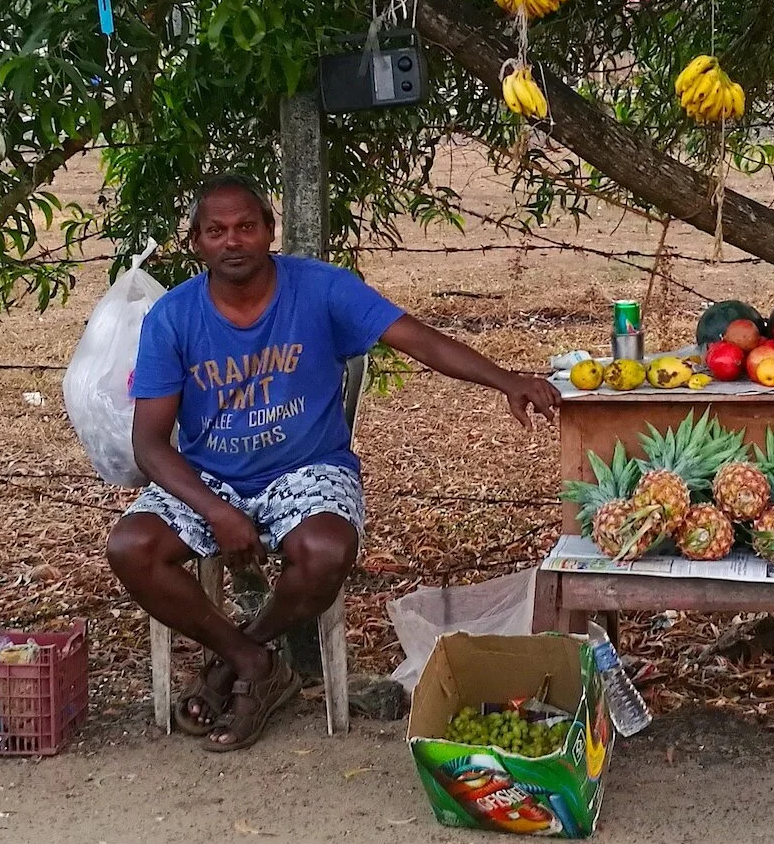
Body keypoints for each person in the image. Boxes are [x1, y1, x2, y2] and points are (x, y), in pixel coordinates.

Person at [107, 175, 560, 750]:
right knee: (131, 547)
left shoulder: (321, 288)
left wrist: (507, 380)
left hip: (308, 467)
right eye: (216, 231)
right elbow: (149, 445)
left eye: (246, 226)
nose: (233, 241)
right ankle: (254, 662)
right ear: (196, 242)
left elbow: (418, 340)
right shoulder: (173, 317)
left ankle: (237, 660)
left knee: (325, 550)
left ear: (270, 231)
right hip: (210, 477)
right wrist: (216, 510)